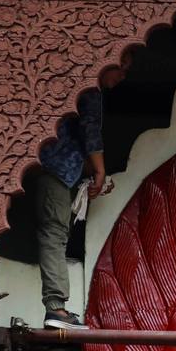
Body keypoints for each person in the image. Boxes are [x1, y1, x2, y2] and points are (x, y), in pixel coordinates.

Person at [34, 64, 125, 330]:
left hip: (53, 169)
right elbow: (90, 131)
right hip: (53, 172)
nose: (122, 76)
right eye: (122, 68)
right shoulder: (90, 87)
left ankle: (57, 308)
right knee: (54, 233)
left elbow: (73, 147)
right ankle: (56, 308)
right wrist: (99, 169)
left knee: (55, 232)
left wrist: (94, 175)